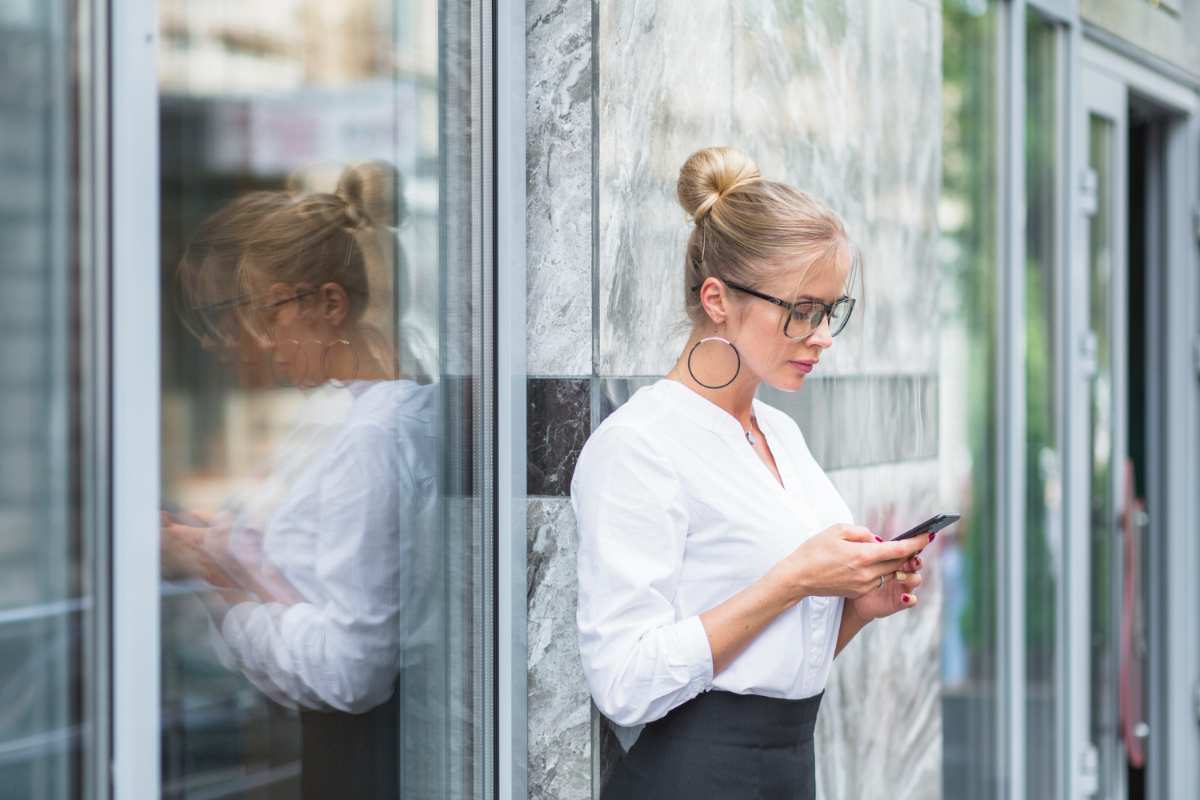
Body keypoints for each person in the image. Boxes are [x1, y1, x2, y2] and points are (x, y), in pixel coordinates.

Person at [572, 146, 931, 799]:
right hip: (693, 778)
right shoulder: (639, 446)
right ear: (717, 299)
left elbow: (771, 664)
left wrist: (855, 610)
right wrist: (795, 580)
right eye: (802, 309)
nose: (821, 335)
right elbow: (623, 680)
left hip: (789, 766)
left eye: (831, 311)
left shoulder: (782, 436)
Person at [162, 162, 441, 799]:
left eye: (270, 313)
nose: (262, 338)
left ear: (329, 304)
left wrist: (222, 597)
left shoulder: (371, 438)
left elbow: (354, 669)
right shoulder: (358, 414)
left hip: (364, 758)